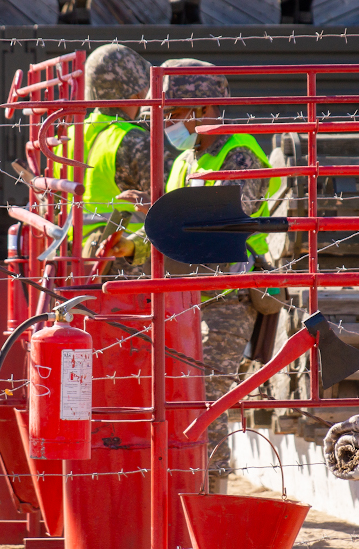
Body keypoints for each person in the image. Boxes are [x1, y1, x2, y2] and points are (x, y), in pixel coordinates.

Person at [109, 58, 277, 493]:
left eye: (172, 114)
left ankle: (207, 497)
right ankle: (191, 493)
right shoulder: (189, 159)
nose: (166, 124)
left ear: (202, 111)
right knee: (186, 398)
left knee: (206, 401)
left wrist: (159, 219)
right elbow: (178, 231)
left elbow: (226, 226)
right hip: (193, 297)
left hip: (227, 299)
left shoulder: (237, 153)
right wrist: (145, 229)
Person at [73, 43, 155, 277]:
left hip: (77, 261)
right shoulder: (133, 140)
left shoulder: (72, 134)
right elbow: (166, 208)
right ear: (137, 91)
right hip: (127, 268)